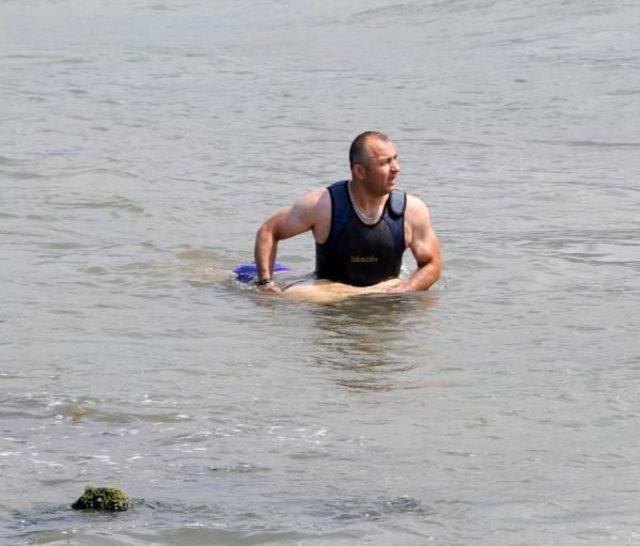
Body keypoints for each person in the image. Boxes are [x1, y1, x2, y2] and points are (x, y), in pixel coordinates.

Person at [253, 131, 442, 299]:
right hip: (326, 298)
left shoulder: (412, 210)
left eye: (395, 158)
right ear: (359, 171)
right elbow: (269, 230)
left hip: (386, 302)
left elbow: (432, 265)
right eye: (385, 162)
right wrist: (266, 283)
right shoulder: (323, 204)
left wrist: (400, 292)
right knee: (293, 297)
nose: (396, 168)